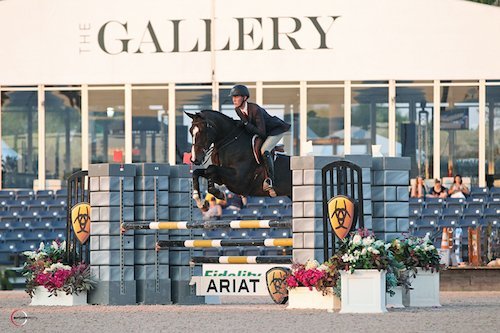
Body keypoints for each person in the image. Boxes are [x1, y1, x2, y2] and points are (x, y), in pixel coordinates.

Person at [230, 84, 291, 196]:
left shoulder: (255, 109)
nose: (234, 99)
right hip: (262, 132)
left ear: (244, 98)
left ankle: (269, 180)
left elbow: (261, 132)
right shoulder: (238, 110)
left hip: (275, 131)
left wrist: (246, 124)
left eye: (237, 96)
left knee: (264, 150)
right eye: (233, 97)